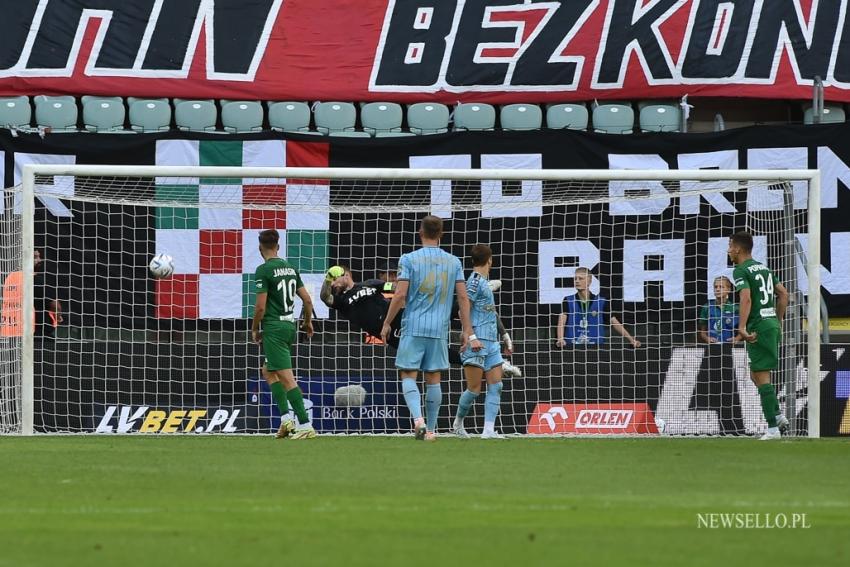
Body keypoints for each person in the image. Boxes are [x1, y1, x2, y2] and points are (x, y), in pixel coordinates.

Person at [380, 215, 480, 441]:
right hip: (439, 330)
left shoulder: (408, 259)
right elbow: (463, 298)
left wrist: (387, 323)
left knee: (408, 374)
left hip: (414, 326)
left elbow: (400, 294)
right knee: (434, 378)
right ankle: (432, 431)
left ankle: (418, 420)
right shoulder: (454, 262)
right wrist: (467, 330)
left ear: (420, 232)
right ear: (441, 234)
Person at [320, 267, 522, 376]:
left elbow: (397, 289)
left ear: (347, 275)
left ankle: (478, 289)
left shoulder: (371, 284)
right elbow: (324, 297)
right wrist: (328, 279)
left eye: (336, 278)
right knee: (437, 352)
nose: (334, 284)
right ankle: (493, 363)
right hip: (393, 337)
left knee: (444, 310)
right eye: (332, 281)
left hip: (402, 318)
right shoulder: (341, 302)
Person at [251, 229, 317, 440]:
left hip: (274, 329)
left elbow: (260, 307)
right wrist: (307, 322)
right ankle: (286, 420)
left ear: (260, 248)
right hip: (289, 326)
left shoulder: (263, 270)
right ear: (278, 246)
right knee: (268, 371)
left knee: (287, 378)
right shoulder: (290, 268)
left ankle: (305, 425)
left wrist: (254, 328)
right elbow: (307, 300)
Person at [728, 231, 790, 440]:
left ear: (737, 248)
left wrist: (742, 327)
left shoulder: (740, 270)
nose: (728, 251)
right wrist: (777, 320)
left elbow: (745, 298)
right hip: (770, 323)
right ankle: (778, 416)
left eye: (730, 247)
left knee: (761, 377)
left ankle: (772, 429)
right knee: (756, 374)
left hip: (757, 327)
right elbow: (783, 294)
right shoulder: (763, 268)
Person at [451, 244, 505, 439]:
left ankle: (488, 430)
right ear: (489, 260)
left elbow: (490, 312)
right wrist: (470, 335)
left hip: (491, 342)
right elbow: (462, 309)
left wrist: (504, 337)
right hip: (477, 340)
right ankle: (457, 423)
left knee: (496, 385)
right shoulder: (474, 282)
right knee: (474, 388)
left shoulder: (483, 281)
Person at [555, 267, 640, 348]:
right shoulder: (568, 300)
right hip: (572, 346)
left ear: (589, 281)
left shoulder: (601, 302)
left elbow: (614, 322)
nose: (577, 281)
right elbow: (561, 322)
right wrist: (560, 339)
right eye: (575, 279)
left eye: (580, 279)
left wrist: (631, 340)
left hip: (596, 348)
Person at [1, 250, 62, 338]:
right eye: (35, 257)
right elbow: (56, 306)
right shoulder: (37, 280)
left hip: (12, 331)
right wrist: (58, 316)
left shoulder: (10, 278)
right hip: (37, 333)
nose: (39, 260)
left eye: (39, 257)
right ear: (24, 259)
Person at [698, 276, 739, 344]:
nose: (718, 289)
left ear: (729, 289)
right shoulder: (707, 307)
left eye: (721, 287)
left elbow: (743, 328)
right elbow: (702, 331)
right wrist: (706, 338)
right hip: (712, 346)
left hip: (729, 345)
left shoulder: (735, 308)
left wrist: (737, 338)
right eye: (716, 287)